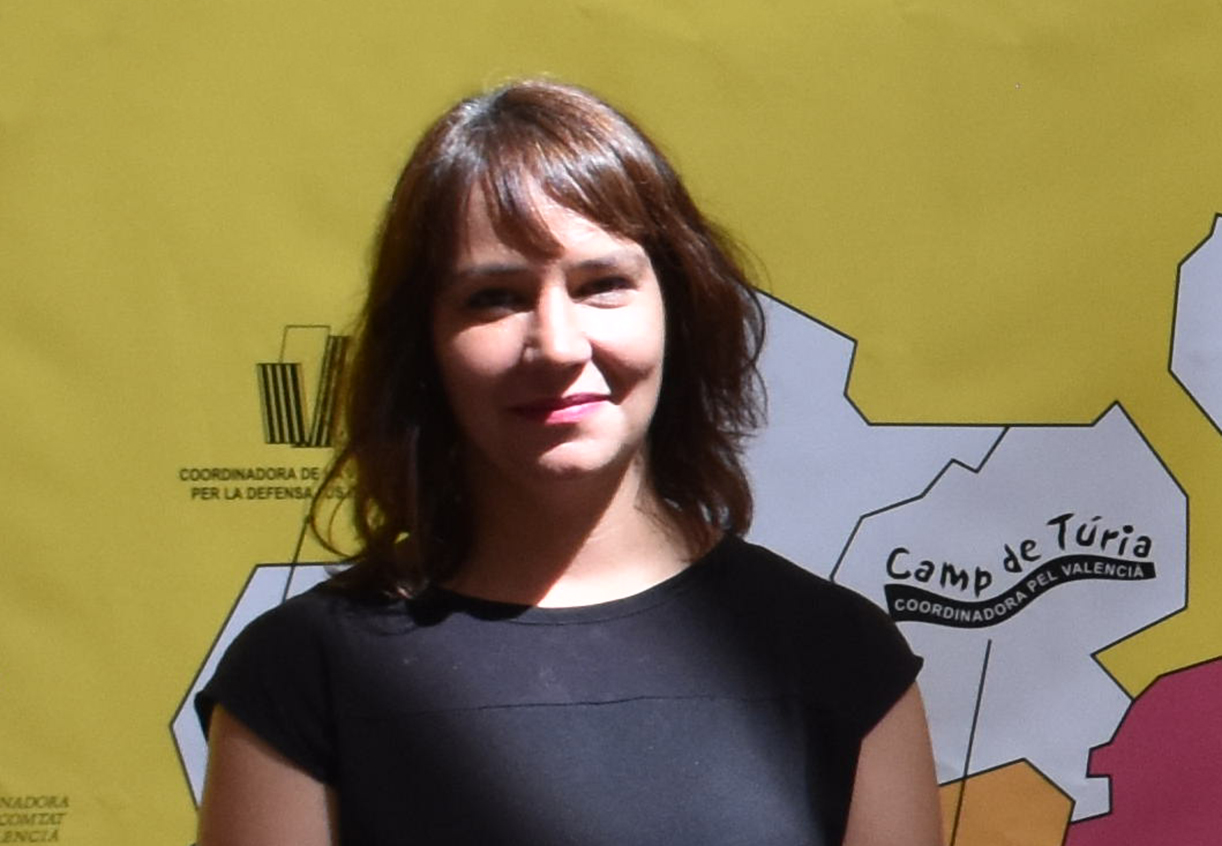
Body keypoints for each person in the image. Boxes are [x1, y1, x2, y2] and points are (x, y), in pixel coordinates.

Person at [196, 78, 941, 846]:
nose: (556, 345)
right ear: (423, 345)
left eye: (602, 285)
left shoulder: (843, 657)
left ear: (678, 310)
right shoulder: (298, 677)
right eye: (495, 297)